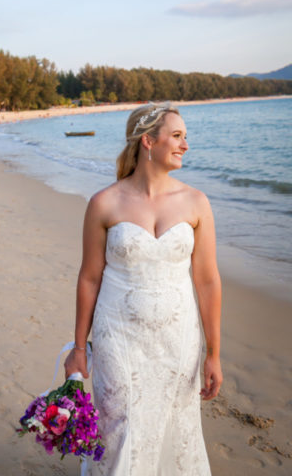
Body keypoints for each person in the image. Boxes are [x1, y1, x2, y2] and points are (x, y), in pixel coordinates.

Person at [64, 102, 222, 475]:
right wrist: (78, 346)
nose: (186, 145)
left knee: (174, 426)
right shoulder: (104, 203)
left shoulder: (196, 202)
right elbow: (89, 277)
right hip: (117, 337)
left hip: (178, 340)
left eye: (186, 137)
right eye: (178, 136)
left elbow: (207, 280)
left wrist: (213, 353)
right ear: (148, 141)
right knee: (121, 428)